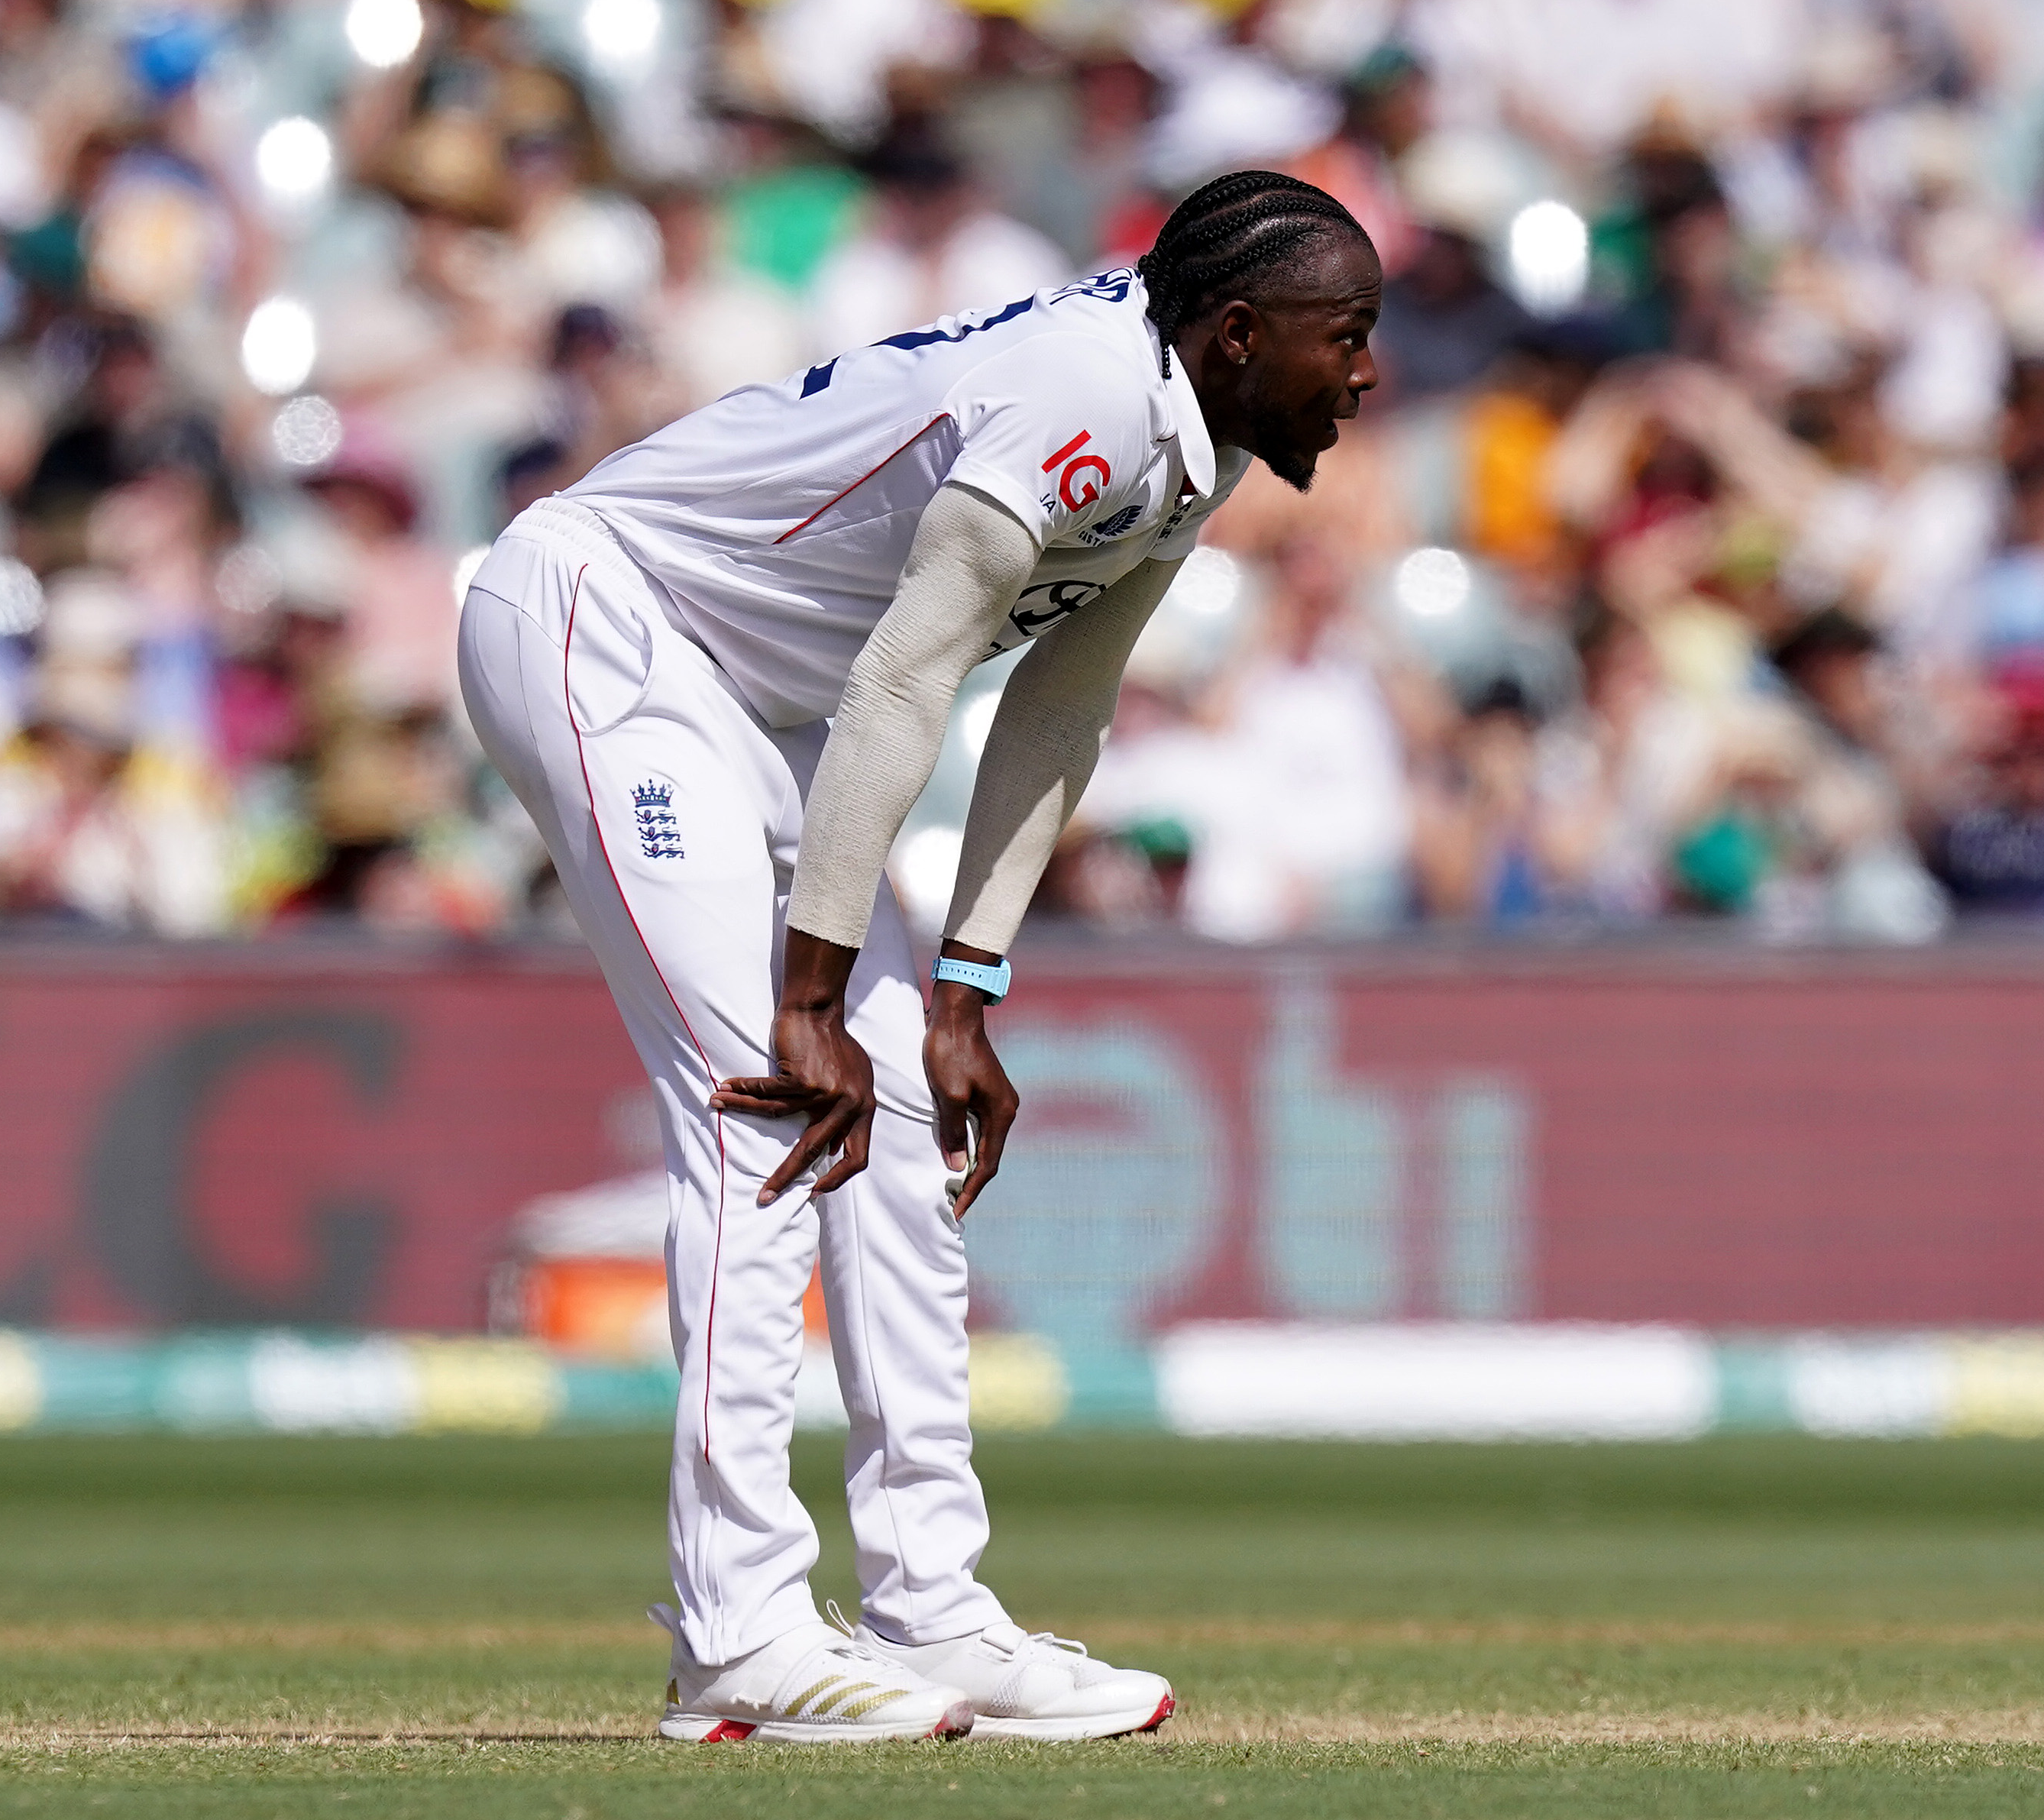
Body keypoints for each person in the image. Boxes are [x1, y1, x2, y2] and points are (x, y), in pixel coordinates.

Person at [456, 169, 1378, 1741]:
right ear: (1234, 333)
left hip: (773, 703)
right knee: (772, 1101)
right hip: (612, 624)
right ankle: (736, 1633)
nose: (1363, 373)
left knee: (887, 1126)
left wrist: (968, 990)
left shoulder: (1194, 438)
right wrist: (811, 997)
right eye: (1341, 336)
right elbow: (906, 685)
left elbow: (1057, 706)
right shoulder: (1084, 397)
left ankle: (929, 1610)